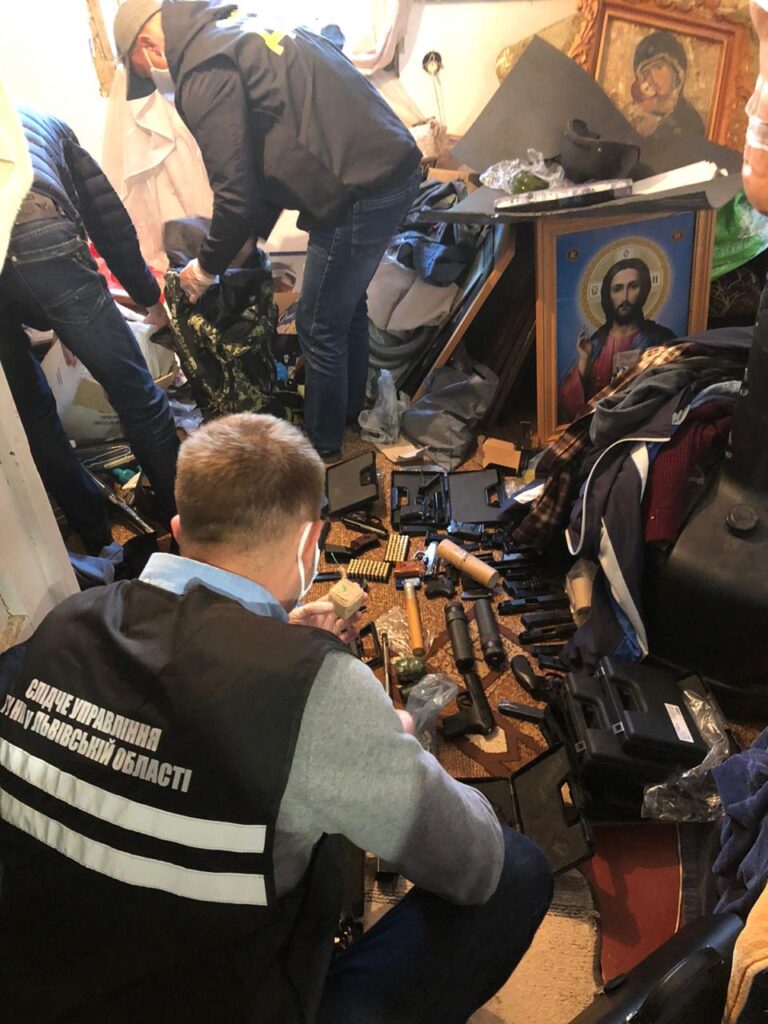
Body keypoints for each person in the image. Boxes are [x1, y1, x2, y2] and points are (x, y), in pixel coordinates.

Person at [0, 412, 552, 1024]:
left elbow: (175, 687)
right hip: (212, 1000)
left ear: (178, 530)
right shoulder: (317, 690)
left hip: (33, 987)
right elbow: (473, 863)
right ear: (310, 543)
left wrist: (273, 641)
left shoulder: (67, 622)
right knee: (517, 870)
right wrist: (386, 736)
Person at [114, 0, 423, 460]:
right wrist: (242, 245)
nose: (155, 80)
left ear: (149, 46)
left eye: (142, 70)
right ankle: (346, 416)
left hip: (360, 186)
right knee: (345, 307)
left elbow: (235, 193)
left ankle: (320, 454)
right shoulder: (237, 28)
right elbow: (266, 163)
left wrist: (205, 269)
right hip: (386, 162)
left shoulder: (202, 68)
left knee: (318, 324)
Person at [0, 108, 180, 552]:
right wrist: (149, 296)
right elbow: (107, 221)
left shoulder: (30, 129)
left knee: (32, 415)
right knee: (138, 395)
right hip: (35, 225)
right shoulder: (46, 124)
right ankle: (184, 523)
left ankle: (96, 539)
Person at [558, 257, 677, 421]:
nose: (625, 297)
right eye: (617, 289)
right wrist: (585, 361)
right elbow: (568, 404)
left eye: (633, 286)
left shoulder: (660, 338)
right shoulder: (596, 343)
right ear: (608, 294)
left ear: (644, 290)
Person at [628, 30, 705, 140]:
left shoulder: (689, 121)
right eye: (647, 73)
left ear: (676, 71)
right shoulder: (638, 118)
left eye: (659, 68)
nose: (653, 78)